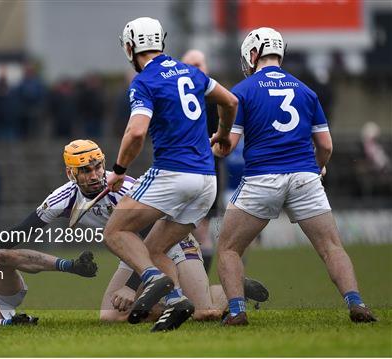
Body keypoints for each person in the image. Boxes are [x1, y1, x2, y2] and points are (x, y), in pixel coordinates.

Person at [0, 140, 269, 323]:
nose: (95, 174)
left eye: (97, 166)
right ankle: (173, 300)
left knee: (206, 314)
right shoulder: (64, 197)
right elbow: (20, 232)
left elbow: (154, 241)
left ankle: (228, 291)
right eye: (85, 170)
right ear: (70, 174)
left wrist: (132, 285)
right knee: (110, 317)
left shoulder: (123, 188)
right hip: (136, 255)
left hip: (170, 244)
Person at [214, 27, 377, 325]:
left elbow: (229, 147)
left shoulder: (243, 91)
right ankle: (357, 302)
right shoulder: (307, 91)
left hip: (262, 178)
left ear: (253, 54)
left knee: (228, 248)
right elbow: (326, 145)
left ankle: (237, 311)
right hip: (305, 177)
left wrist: (217, 139)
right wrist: (318, 166)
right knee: (331, 247)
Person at [103, 17, 238, 331]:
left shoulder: (144, 82)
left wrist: (120, 171)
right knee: (153, 249)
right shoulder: (191, 72)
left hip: (173, 175)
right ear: (160, 43)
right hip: (206, 181)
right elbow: (230, 101)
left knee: (114, 232)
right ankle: (177, 300)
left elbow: (136, 133)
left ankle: (152, 280)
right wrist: (223, 133)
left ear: (129, 48)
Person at [180, 49, 219, 273]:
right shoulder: (177, 95)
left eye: (199, 65)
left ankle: (201, 283)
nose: (196, 69)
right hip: (180, 169)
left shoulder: (215, 97)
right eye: (191, 65)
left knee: (202, 229)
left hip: (208, 170)